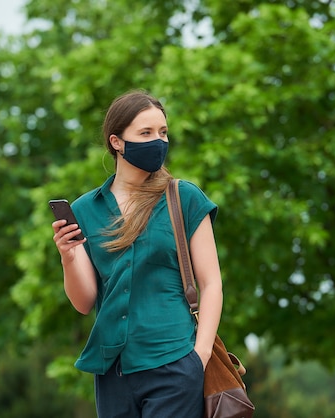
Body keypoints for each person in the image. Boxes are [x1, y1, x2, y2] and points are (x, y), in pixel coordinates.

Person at [51, 90, 223, 418]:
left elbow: (211, 283)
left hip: (175, 362)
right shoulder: (86, 209)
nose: (158, 141)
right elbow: (84, 301)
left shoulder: (184, 198)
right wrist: (68, 257)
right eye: (146, 133)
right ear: (116, 142)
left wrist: (198, 359)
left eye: (163, 133)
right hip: (112, 372)